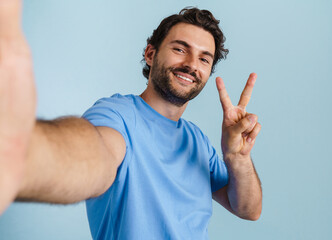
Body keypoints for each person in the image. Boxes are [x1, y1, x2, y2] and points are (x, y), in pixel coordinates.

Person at [0, 1, 262, 239]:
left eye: (204, 58)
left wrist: (237, 159)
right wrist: (22, 157)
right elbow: (97, 153)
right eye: (180, 49)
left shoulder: (198, 142)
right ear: (150, 54)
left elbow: (249, 209)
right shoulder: (118, 115)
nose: (192, 64)